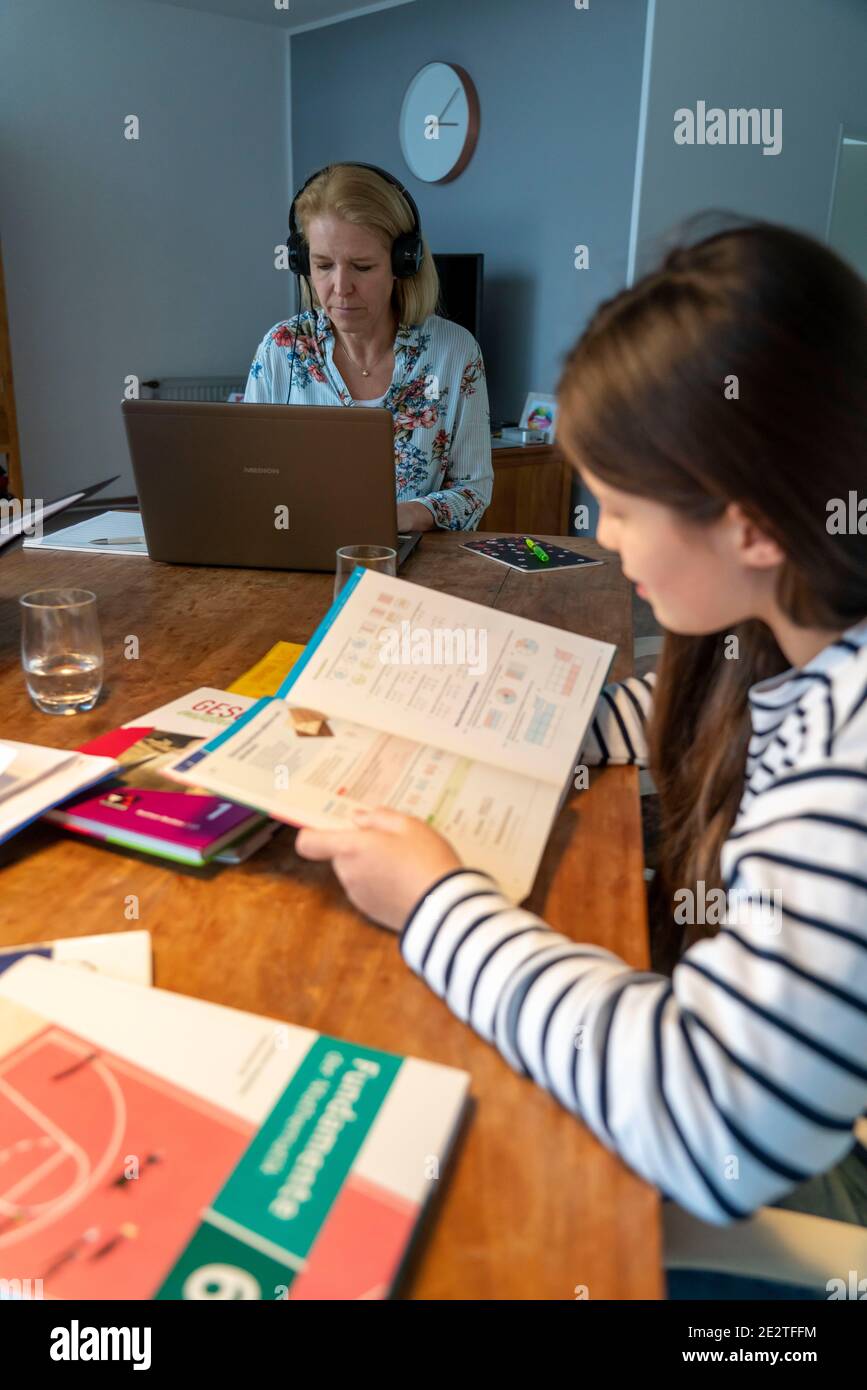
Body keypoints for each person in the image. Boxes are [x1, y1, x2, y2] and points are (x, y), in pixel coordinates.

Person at [295, 221, 867, 1251]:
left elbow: (711, 1116)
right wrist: (510, 724)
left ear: (750, 526)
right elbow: (670, 714)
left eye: (618, 504)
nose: (599, 535)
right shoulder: (796, 637)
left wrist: (432, 902)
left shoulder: (846, 771)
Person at [243, 163, 493, 533]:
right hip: (298, 554)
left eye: (362, 267)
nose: (341, 288)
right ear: (301, 263)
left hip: (410, 561)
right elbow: (249, 478)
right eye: (323, 265)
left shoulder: (455, 352)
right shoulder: (280, 349)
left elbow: (473, 490)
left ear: (402, 263)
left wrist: (404, 515)